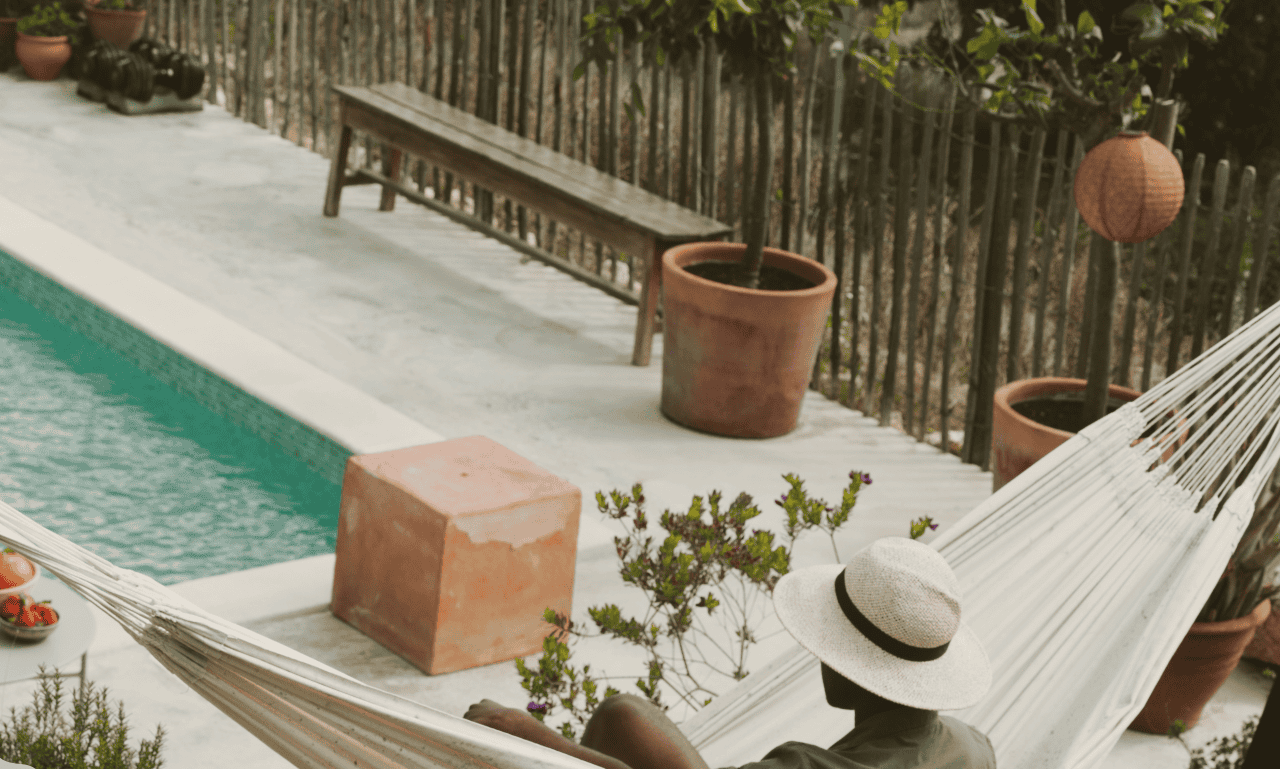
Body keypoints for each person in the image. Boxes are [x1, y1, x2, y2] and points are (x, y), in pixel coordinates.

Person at [464, 537, 996, 769]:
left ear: (858, 671)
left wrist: (525, 733)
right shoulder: (974, 750)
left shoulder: (806, 767)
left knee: (613, 723)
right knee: (624, 717)